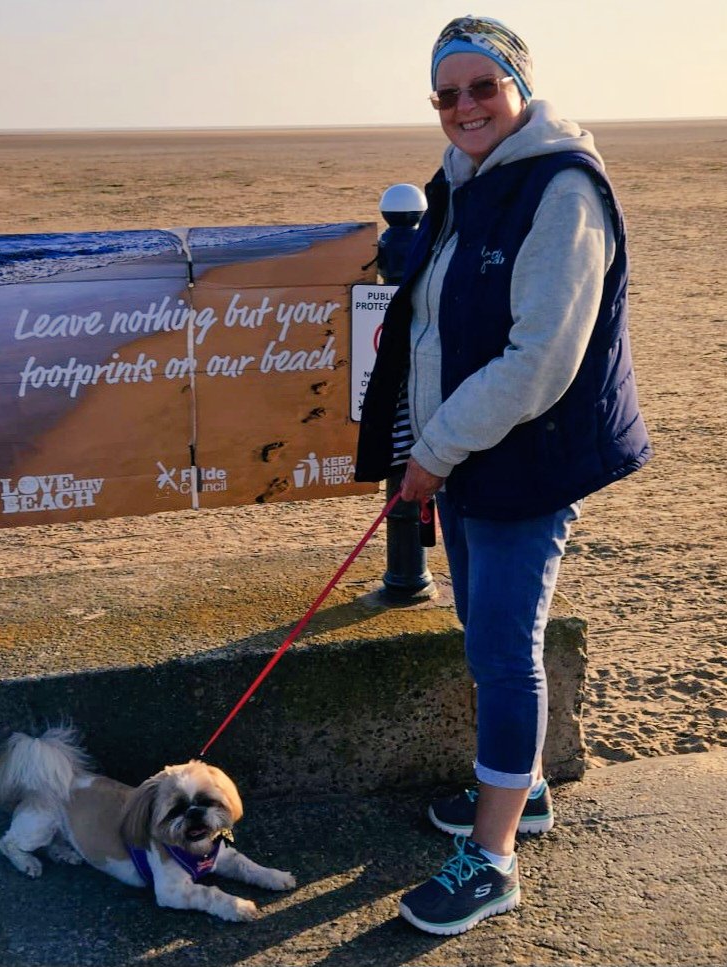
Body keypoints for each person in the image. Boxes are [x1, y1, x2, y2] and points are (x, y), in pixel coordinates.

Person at [355, 15, 652, 936]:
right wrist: (435, 443)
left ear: (520, 86)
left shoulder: (561, 188)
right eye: (447, 94)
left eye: (483, 86)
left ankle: (491, 861)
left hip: (525, 461)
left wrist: (432, 451)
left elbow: (540, 360)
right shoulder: (471, 184)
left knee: (503, 649)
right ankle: (517, 796)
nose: (465, 106)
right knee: (478, 627)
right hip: (471, 455)